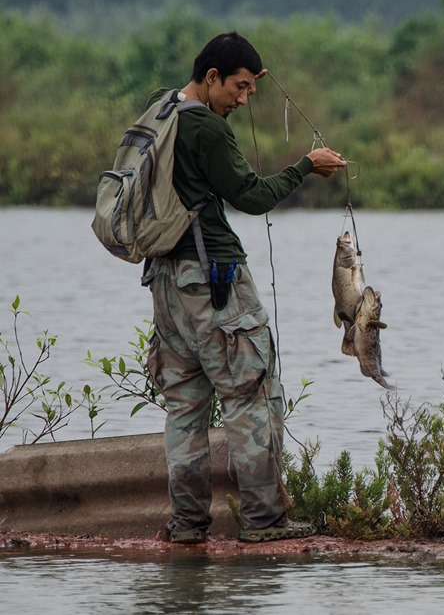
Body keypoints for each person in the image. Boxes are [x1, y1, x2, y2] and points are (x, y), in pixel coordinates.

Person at [142, 31, 346, 544]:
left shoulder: (161, 111)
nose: (244, 97)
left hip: (165, 282)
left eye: (251, 89)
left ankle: (187, 525)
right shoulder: (206, 129)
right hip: (215, 280)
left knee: (184, 406)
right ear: (211, 78)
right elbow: (251, 197)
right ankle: (263, 521)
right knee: (249, 396)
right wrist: (305, 166)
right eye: (239, 86)